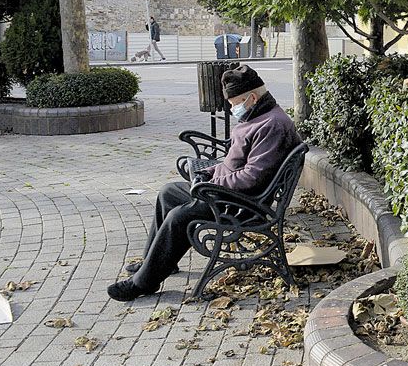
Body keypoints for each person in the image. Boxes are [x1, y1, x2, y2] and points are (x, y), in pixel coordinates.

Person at [107, 65, 301, 302]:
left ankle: (143, 283)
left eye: (235, 102)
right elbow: (233, 163)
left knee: (179, 216)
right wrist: (208, 172)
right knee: (169, 192)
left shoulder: (272, 125)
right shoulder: (258, 115)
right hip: (228, 193)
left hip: (245, 204)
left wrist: (214, 182)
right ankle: (155, 263)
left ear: (252, 97)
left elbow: (252, 177)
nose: (232, 108)